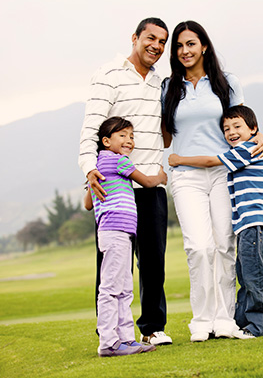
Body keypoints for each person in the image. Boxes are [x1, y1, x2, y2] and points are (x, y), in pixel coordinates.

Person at [161, 20, 263, 342]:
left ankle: (224, 320)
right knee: (199, 247)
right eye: (179, 46)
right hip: (185, 176)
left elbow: (243, 122)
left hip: (224, 173)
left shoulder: (226, 82)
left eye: (191, 44)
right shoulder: (169, 87)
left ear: (204, 46)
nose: (185, 51)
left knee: (223, 246)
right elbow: (165, 137)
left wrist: (260, 136)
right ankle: (201, 321)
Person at [78, 17, 173, 346]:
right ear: (135, 38)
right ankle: (109, 333)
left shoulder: (161, 83)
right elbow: (92, 128)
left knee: (153, 262)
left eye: (162, 41)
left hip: (150, 184)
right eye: (151, 38)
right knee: (111, 264)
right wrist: (89, 169)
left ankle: (152, 328)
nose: (156, 46)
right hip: (114, 187)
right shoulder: (109, 74)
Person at [168, 105, 263, 337]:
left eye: (237, 126)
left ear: (253, 129)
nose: (231, 132)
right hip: (248, 226)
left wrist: (179, 159)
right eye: (226, 129)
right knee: (245, 274)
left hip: (255, 224)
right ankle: (242, 321)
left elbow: (210, 161)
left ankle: (260, 326)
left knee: (254, 277)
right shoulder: (244, 149)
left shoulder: (248, 149)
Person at [84, 116, 168, 357]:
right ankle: (109, 342)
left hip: (114, 232)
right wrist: (161, 177)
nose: (129, 140)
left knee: (123, 287)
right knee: (112, 287)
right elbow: (147, 182)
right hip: (116, 232)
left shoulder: (97, 166)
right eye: (122, 135)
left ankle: (126, 339)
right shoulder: (118, 161)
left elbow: (88, 204)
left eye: (131, 136)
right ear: (106, 141)